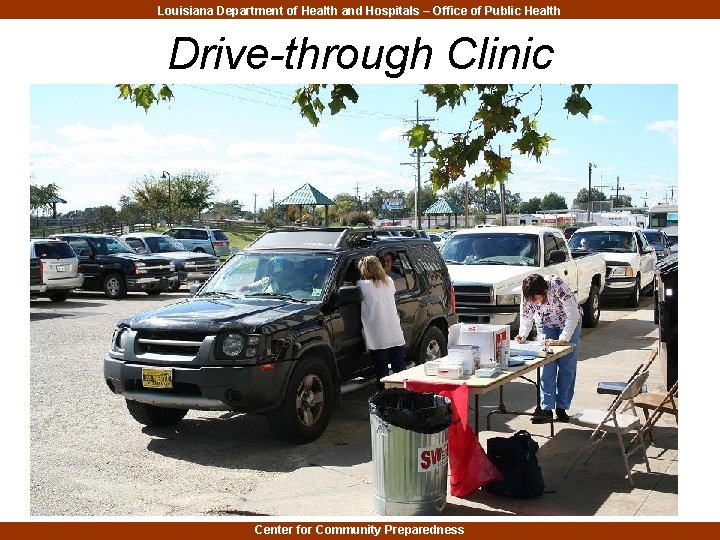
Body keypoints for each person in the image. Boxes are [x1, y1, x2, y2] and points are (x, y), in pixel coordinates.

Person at [515, 273, 582, 424]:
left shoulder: (556, 284)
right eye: (531, 300)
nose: (535, 302)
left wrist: (563, 339)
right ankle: (546, 408)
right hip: (545, 324)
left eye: (537, 298)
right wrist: (523, 334)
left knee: (567, 366)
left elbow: (573, 314)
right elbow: (526, 315)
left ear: (545, 290)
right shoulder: (527, 293)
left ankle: (562, 407)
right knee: (546, 365)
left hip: (568, 322)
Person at [357, 255, 406, 391]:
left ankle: (385, 399)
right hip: (394, 331)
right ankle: (402, 397)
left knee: (382, 373)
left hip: (377, 334)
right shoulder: (389, 281)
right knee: (399, 370)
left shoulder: (362, 286)